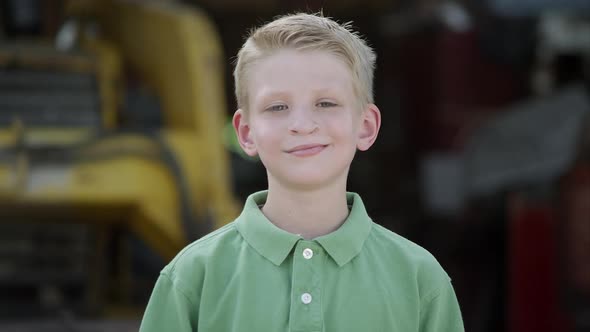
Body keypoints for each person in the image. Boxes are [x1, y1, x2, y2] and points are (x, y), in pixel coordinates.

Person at [139, 12, 464, 331]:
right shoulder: (191, 278)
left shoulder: (420, 279)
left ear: (365, 126)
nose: (303, 125)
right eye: (277, 107)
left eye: (326, 103)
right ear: (246, 132)